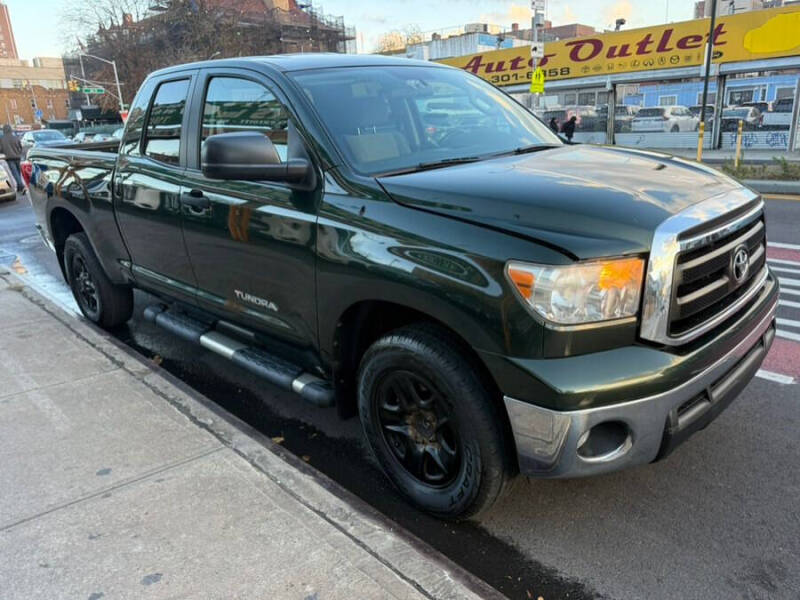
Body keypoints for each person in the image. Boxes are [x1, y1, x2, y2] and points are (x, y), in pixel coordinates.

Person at [1, 125, 25, 193]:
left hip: (9, 158)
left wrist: (5, 151)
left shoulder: (2, 139)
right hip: (17, 157)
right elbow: (20, 147)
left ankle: (21, 185)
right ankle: (19, 187)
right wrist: (19, 153)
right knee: (18, 172)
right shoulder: (15, 137)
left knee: (15, 173)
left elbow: (1, 149)